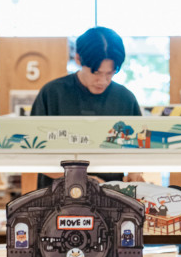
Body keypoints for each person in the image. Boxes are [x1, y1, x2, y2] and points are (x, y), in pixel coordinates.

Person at [31, 26, 142, 188]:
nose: (103, 81)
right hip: (57, 196)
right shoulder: (52, 93)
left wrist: (135, 173)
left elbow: (137, 152)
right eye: (96, 73)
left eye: (110, 73)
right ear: (78, 59)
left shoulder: (125, 99)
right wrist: (87, 181)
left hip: (109, 198)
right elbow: (35, 156)